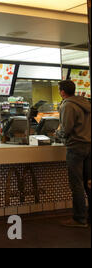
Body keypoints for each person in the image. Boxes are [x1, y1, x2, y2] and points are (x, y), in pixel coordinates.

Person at [56, 80, 91, 228]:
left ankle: (79, 218)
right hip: (89, 145)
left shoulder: (68, 105)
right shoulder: (86, 103)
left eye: (59, 90)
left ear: (63, 91)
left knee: (76, 184)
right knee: (89, 183)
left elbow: (66, 128)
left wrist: (57, 134)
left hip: (76, 147)